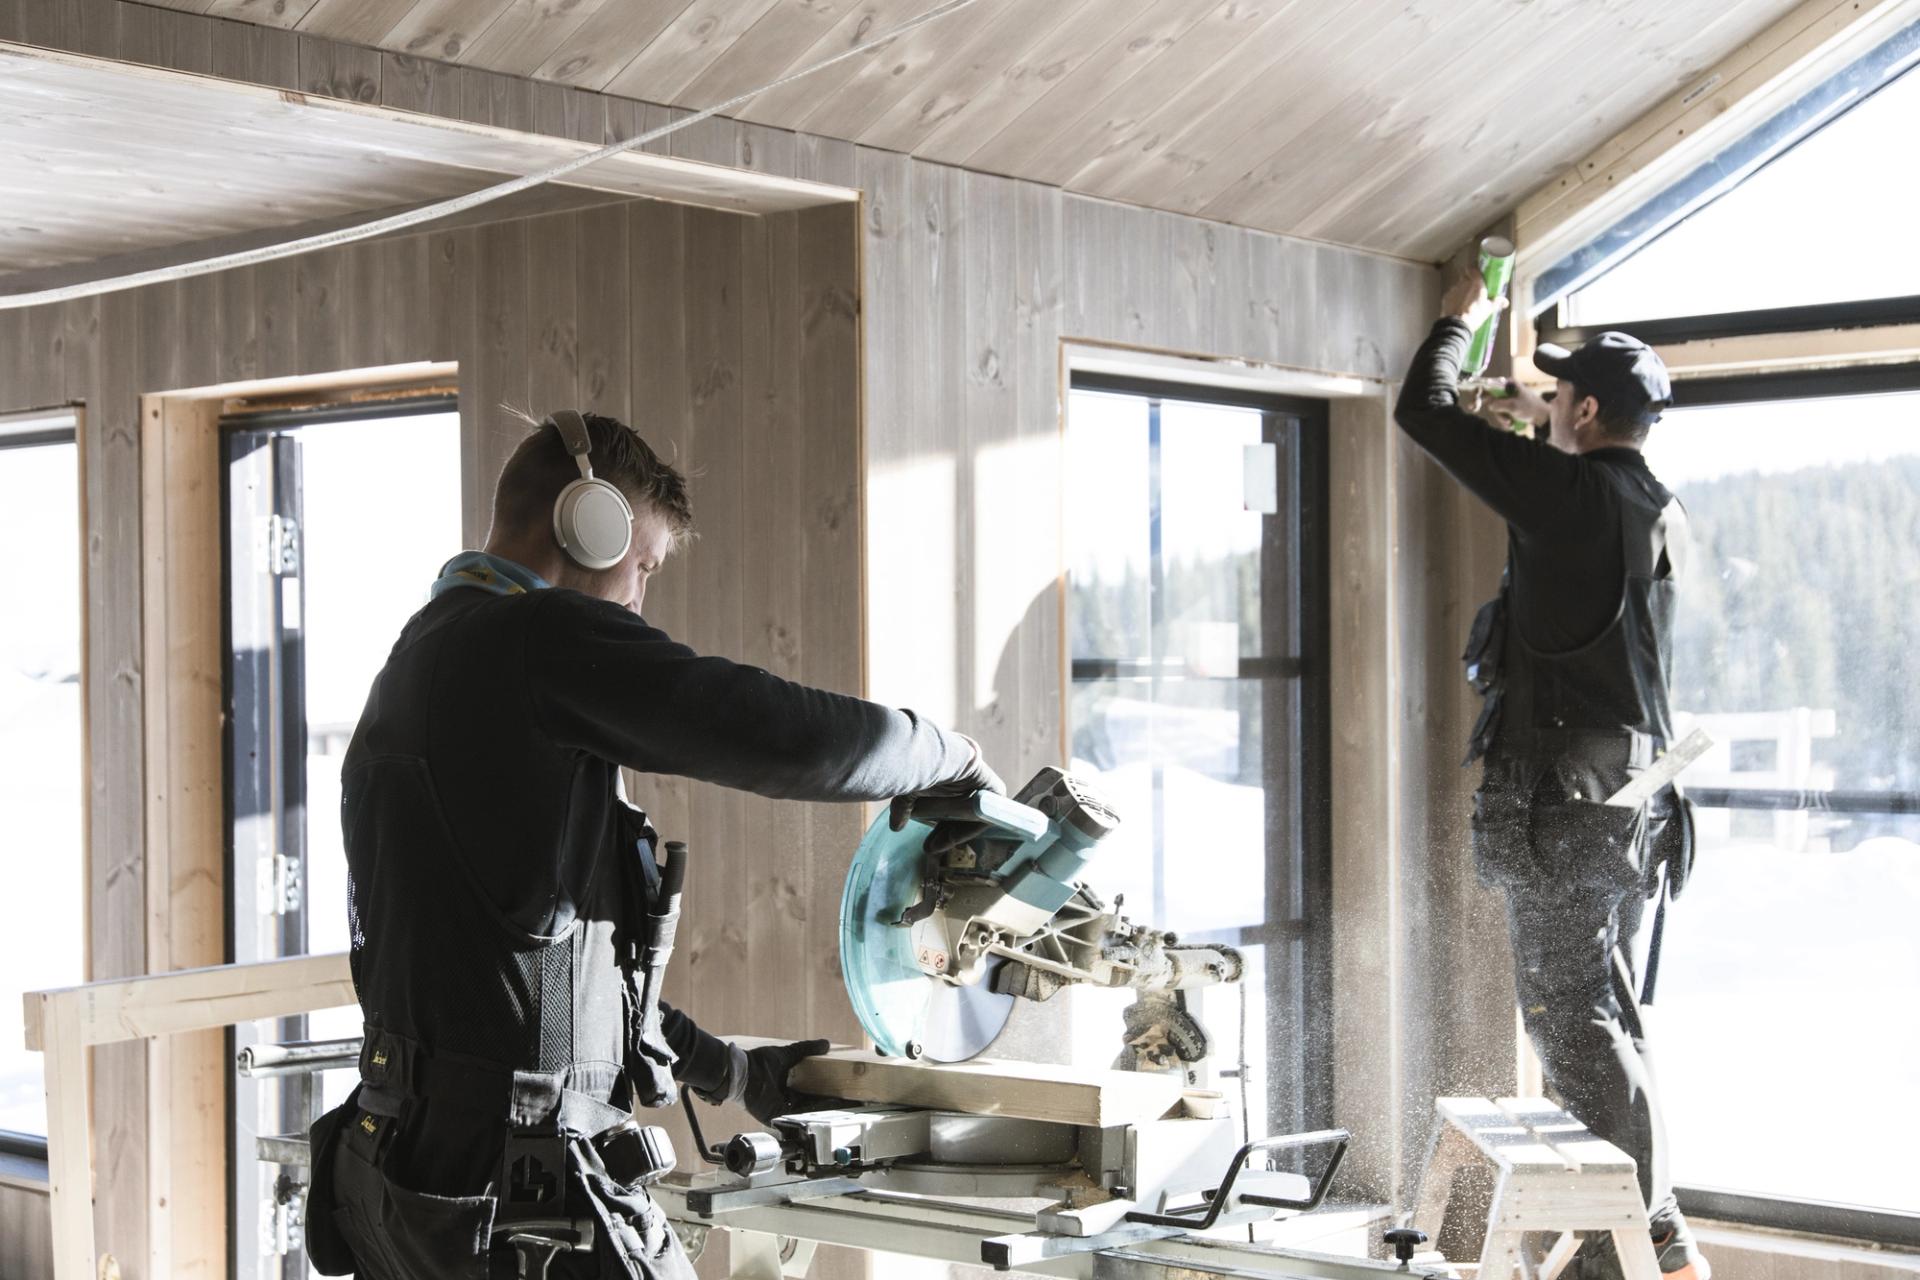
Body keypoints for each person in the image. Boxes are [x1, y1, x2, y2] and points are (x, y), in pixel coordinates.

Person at [305, 410, 1003, 1279]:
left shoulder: (418, 661)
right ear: (585, 524)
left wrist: (731, 1070)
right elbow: (776, 732)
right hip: (510, 1202)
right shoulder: (532, 639)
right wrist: (951, 761)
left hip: (405, 1178)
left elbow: (524, 986)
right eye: (642, 566)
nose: (639, 599)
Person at [1394, 277, 1706, 1280]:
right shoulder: (1655, 508)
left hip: (1564, 807)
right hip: (1629, 801)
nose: (1547, 410)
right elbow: (1563, 489)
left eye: (1558, 400)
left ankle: (1626, 1250)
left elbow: (1422, 409)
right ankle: (1654, 1233)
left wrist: (1459, 318)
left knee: (1574, 1016)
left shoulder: (1565, 494)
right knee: (1603, 1010)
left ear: (1582, 413)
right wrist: (1536, 423)